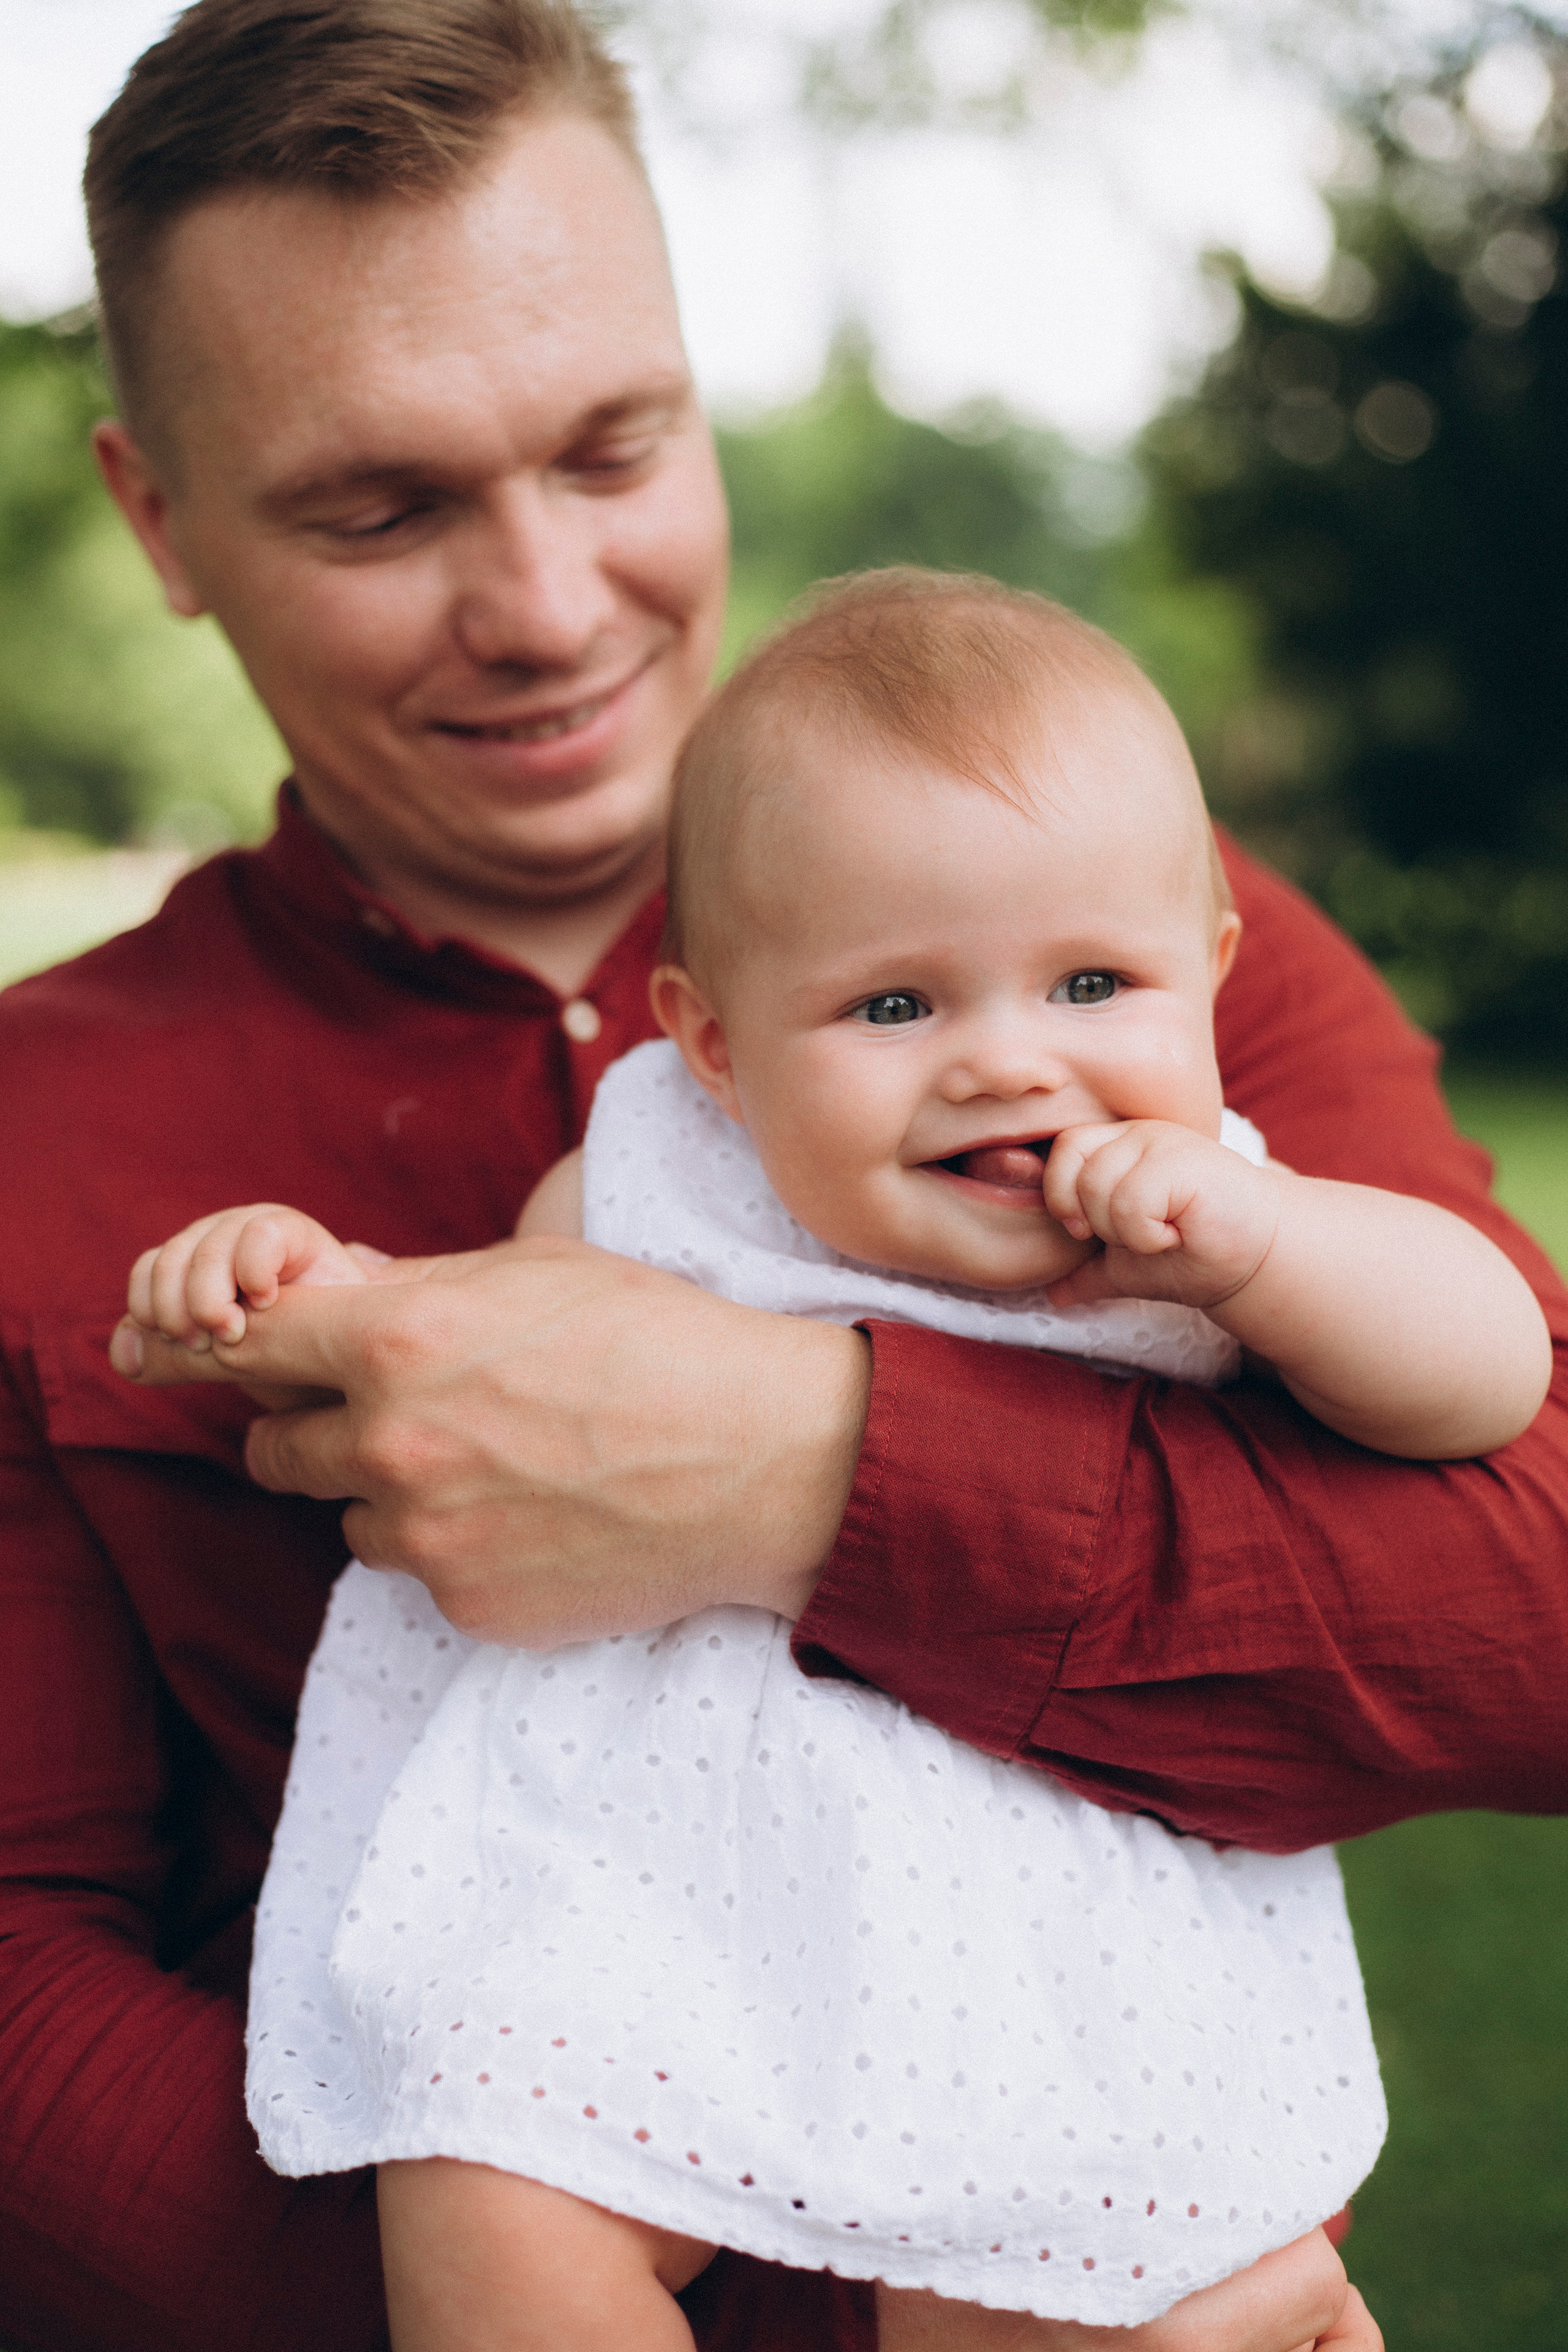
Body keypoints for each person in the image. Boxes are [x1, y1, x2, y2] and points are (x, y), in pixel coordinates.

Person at [1, 2, 1565, 2348]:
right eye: (380, 506)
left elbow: (1533, 1607)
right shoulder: (46, 1127)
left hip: (1079, 2167)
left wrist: (813, 1473)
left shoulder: (1125, 941)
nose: (542, 604)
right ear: (163, 522)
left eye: (612, 445)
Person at [130, 571, 1548, 2351]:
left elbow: (1487, 1373)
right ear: (713, 1046)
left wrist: (1266, 1252)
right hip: (673, 1884)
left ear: (1216, 975)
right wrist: (294, 1282)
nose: (1007, 1060)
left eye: (1094, 980)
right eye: (895, 1009)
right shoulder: (651, 1180)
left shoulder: (1235, 1212)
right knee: (489, 2193)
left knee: (1036, 2280)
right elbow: (477, 1356)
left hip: (1047, 1902)